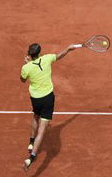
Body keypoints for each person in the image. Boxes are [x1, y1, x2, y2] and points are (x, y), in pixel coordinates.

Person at [21, 40, 83, 170]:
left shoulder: (26, 68)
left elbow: (22, 80)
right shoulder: (47, 58)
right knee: (42, 130)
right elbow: (59, 56)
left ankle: (31, 142)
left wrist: (27, 64)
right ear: (39, 53)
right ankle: (31, 158)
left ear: (30, 54)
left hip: (36, 99)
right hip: (48, 99)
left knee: (35, 116)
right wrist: (68, 48)